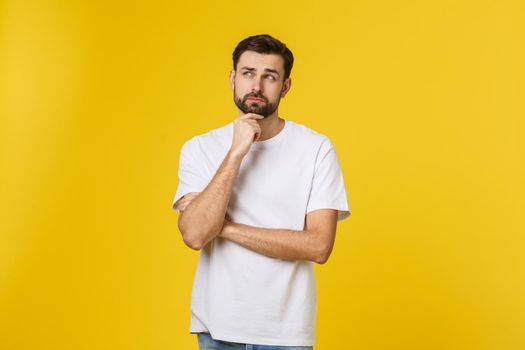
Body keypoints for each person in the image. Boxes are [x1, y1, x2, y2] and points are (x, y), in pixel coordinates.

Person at [171, 34, 351, 350]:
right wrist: (237, 152)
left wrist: (225, 228)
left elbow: (319, 246)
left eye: (269, 76)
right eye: (248, 73)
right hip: (218, 329)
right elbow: (196, 235)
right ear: (232, 78)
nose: (257, 85)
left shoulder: (316, 149)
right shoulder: (199, 148)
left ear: (285, 86)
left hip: (286, 334)